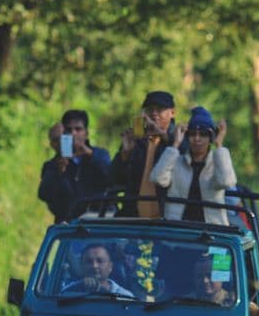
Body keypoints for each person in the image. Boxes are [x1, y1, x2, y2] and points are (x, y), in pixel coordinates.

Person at [152, 106, 237, 225]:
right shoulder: (177, 161)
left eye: (203, 134)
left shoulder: (217, 162)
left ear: (210, 138)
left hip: (212, 230)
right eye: (192, 134)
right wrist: (175, 144)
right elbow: (157, 179)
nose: (197, 139)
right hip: (179, 229)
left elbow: (226, 182)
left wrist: (219, 145)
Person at [36, 109, 112, 223]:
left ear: (86, 134)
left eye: (78, 129)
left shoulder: (100, 155)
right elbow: (44, 194)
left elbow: (112, 178)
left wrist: (90, 155)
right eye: (69, 130)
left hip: (98, 221)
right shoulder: (54, 164)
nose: (73, 133)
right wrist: (59, 172)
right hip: (69, 225)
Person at [111, 90, 177, 218]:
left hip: (168, 220)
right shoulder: (137, 140)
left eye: (160, 109)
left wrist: (163, 135)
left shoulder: (179, 138)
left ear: (172, 112)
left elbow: (185, 155)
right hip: (133, 218)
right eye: (150, 110)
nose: (154, 114)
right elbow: (115, 179)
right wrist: (125, 155)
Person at [61, 243, 135, 297]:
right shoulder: (68, 294)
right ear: (82, 266)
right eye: (89, 261)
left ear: (110, 266)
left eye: (100, 261)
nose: (94, 266)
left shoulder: (125, 297)